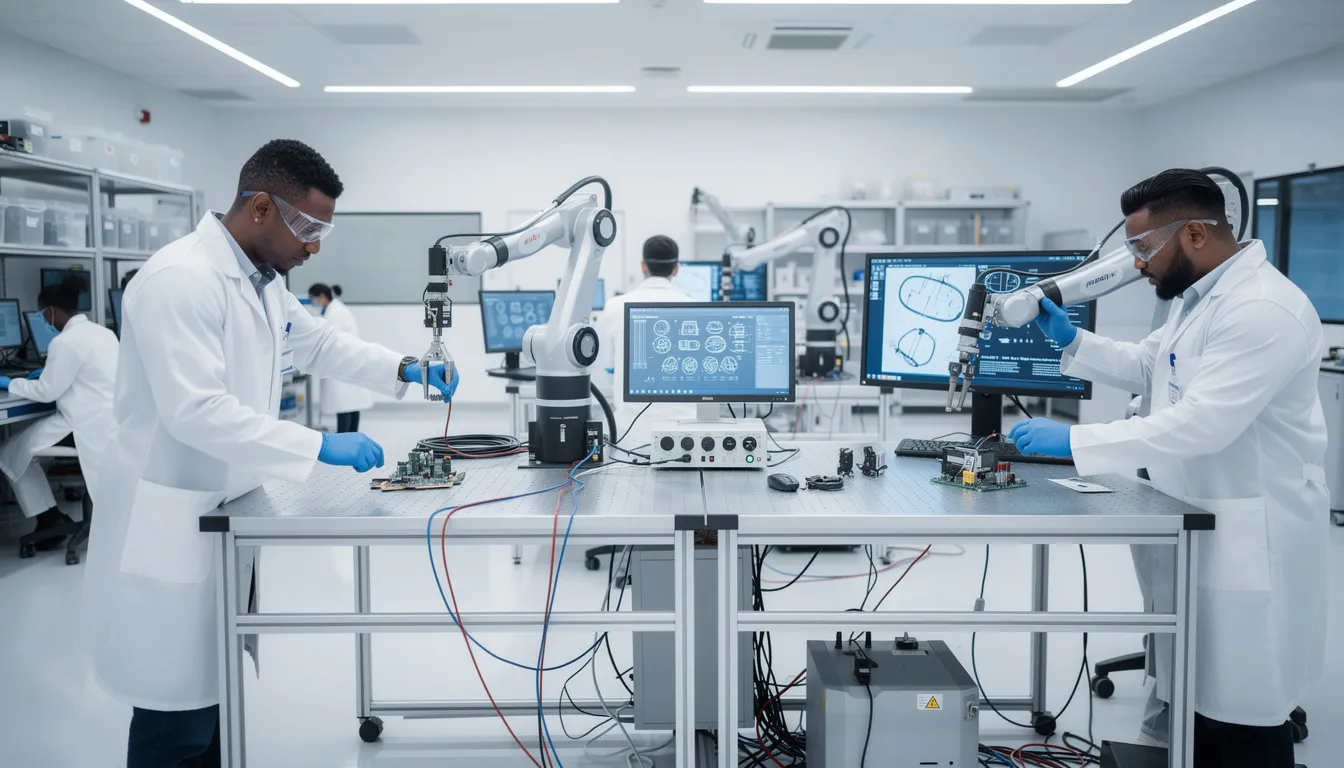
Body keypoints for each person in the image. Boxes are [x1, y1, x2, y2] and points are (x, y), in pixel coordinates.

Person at [84, 139, 460, 768]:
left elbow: (322, 346)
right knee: (173, 714)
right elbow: (195, 411)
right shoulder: (180, 281)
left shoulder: (261, 283)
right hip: (171, 517)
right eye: (307, 227)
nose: (313, 246)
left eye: (323, 232)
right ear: (260, 207)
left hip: (223, 510)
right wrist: (317, 444)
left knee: (215, 699)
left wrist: (406, 366)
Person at [1009, 168, 1326, 768]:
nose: (1137, 264)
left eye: (1144, 248)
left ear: (1198, 234)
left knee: (1245, 708)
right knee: (1197, 702)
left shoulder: (1262, 309)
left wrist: (1075, 440)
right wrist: (1072, 341)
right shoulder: (1197, 300)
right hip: (1194, 516)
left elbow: (1202, 423)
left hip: (1251, 531)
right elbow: (1150, 367)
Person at [0, 276, 118, 550]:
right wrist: (47, 374)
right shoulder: (103, 333)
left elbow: (46, 393)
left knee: (9, 451)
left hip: (81, 427)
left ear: (51, 311)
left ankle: (50, 520)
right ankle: (51, 520)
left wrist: (11, 383)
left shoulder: (64, 343)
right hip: (109, 423)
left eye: (42, 314)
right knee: (21, 447)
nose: (43, 320)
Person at [592, 235, 693, 439]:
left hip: (630, 435)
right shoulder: (696, 307)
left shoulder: (614, 307)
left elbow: (603, 376)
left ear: (643, 267)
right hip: (687, 433)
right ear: (676, 269)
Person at [307, 283, 373, 433]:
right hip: (348, 364)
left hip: (343, 365)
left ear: (322, 297)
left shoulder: (334, 314)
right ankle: (351, 439)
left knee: (344, 405)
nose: (312, 303)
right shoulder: (336, 310)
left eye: (313, 299)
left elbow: (327, 340)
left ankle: (345, 441)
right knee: (350, 405)